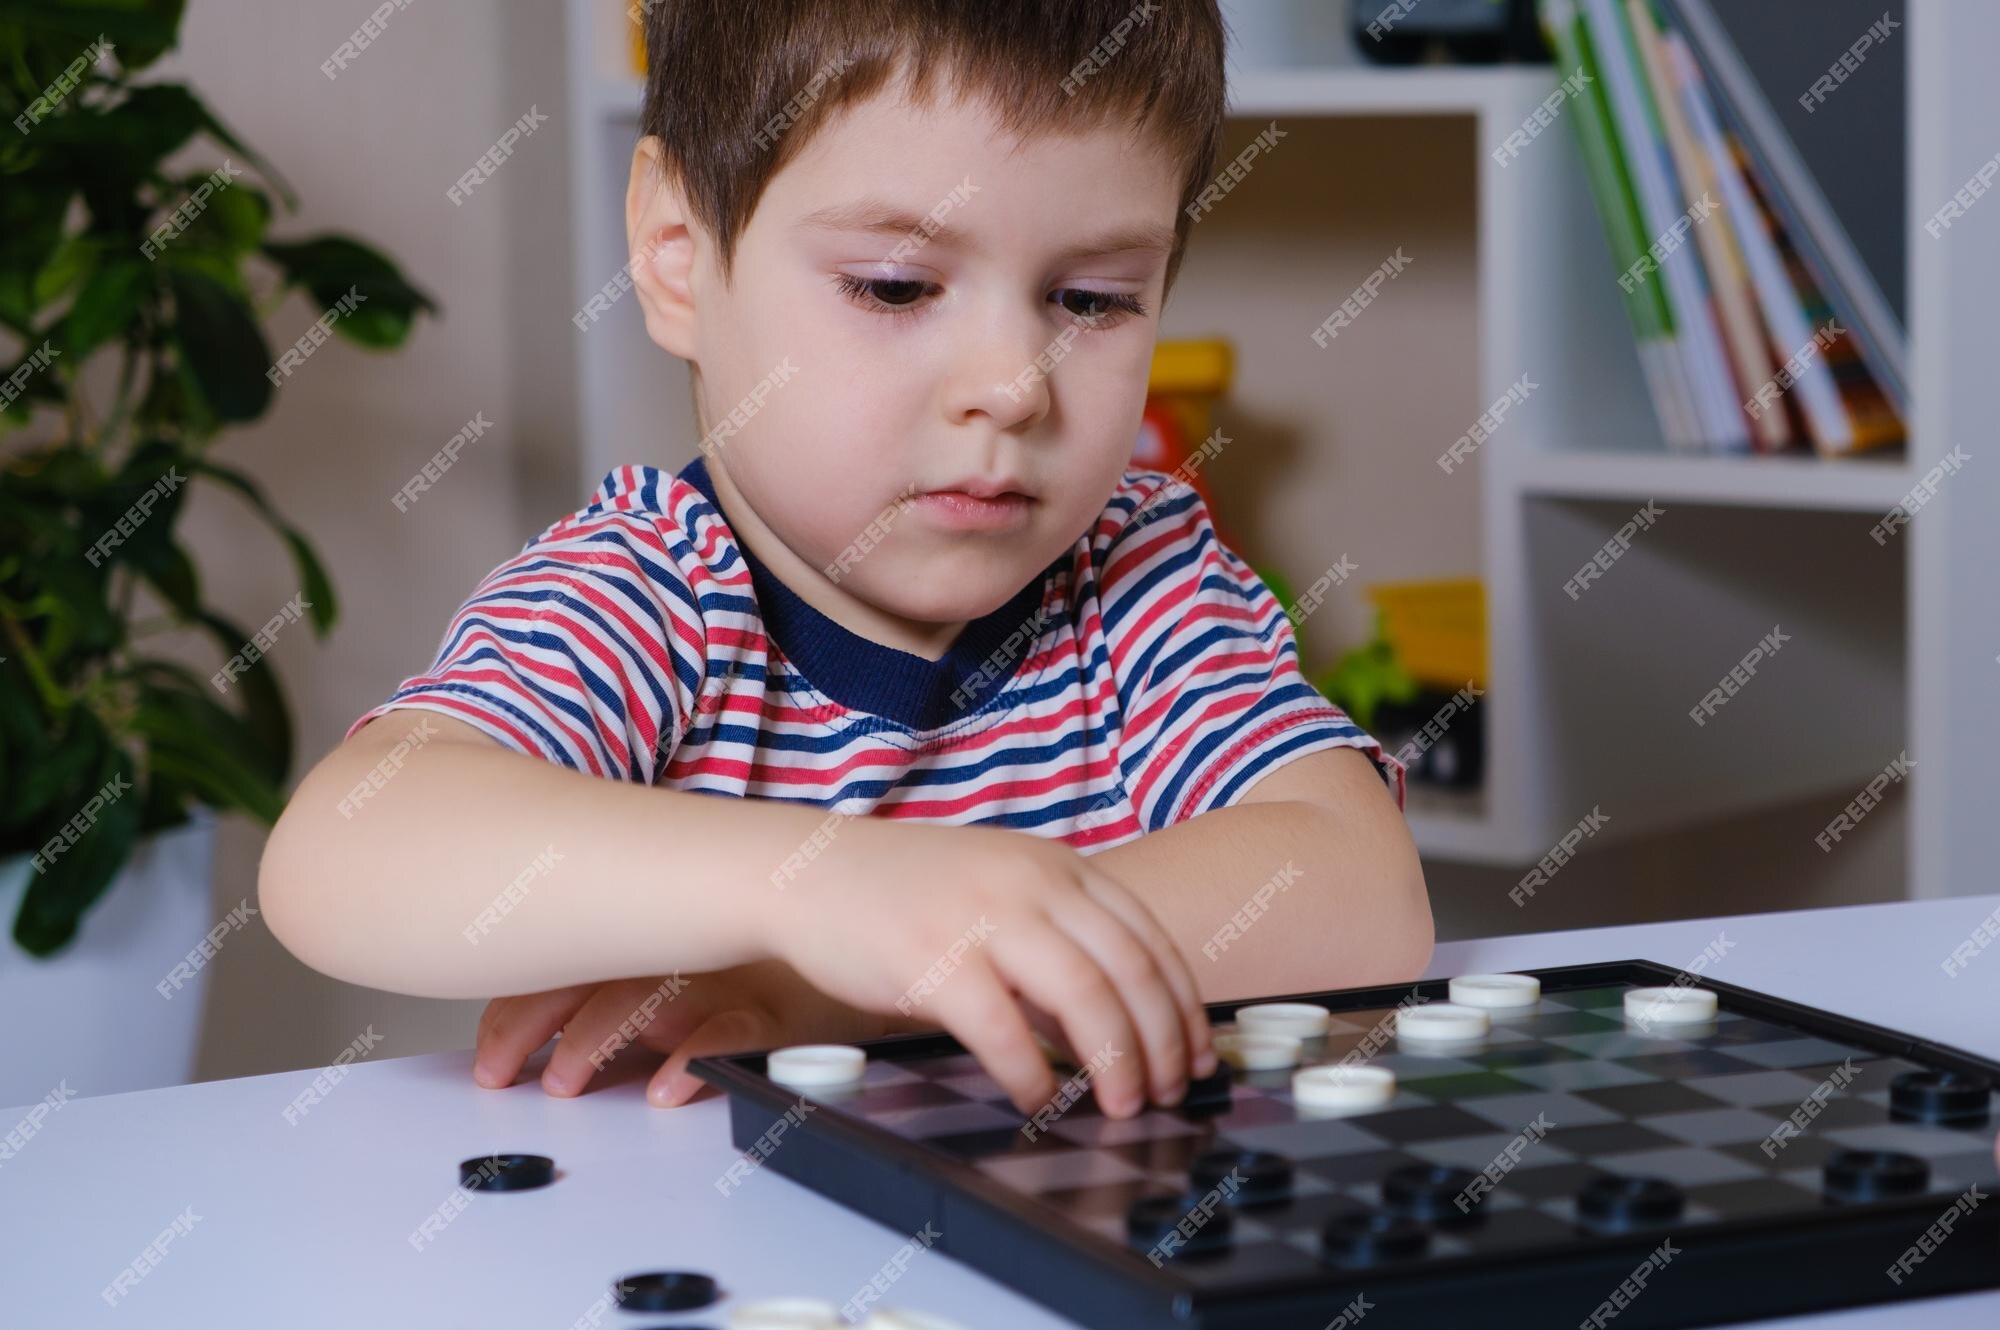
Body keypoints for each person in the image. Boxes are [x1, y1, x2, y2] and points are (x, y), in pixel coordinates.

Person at [259, 0, 1433, 1120]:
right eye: (893, 285)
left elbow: (1358, 887)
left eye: (1089, 298)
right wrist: (824, 885)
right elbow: (345, 851)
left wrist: (869, 984)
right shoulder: (651, 588)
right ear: (676, 253)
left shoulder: (1139, 577)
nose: (1010, 385)